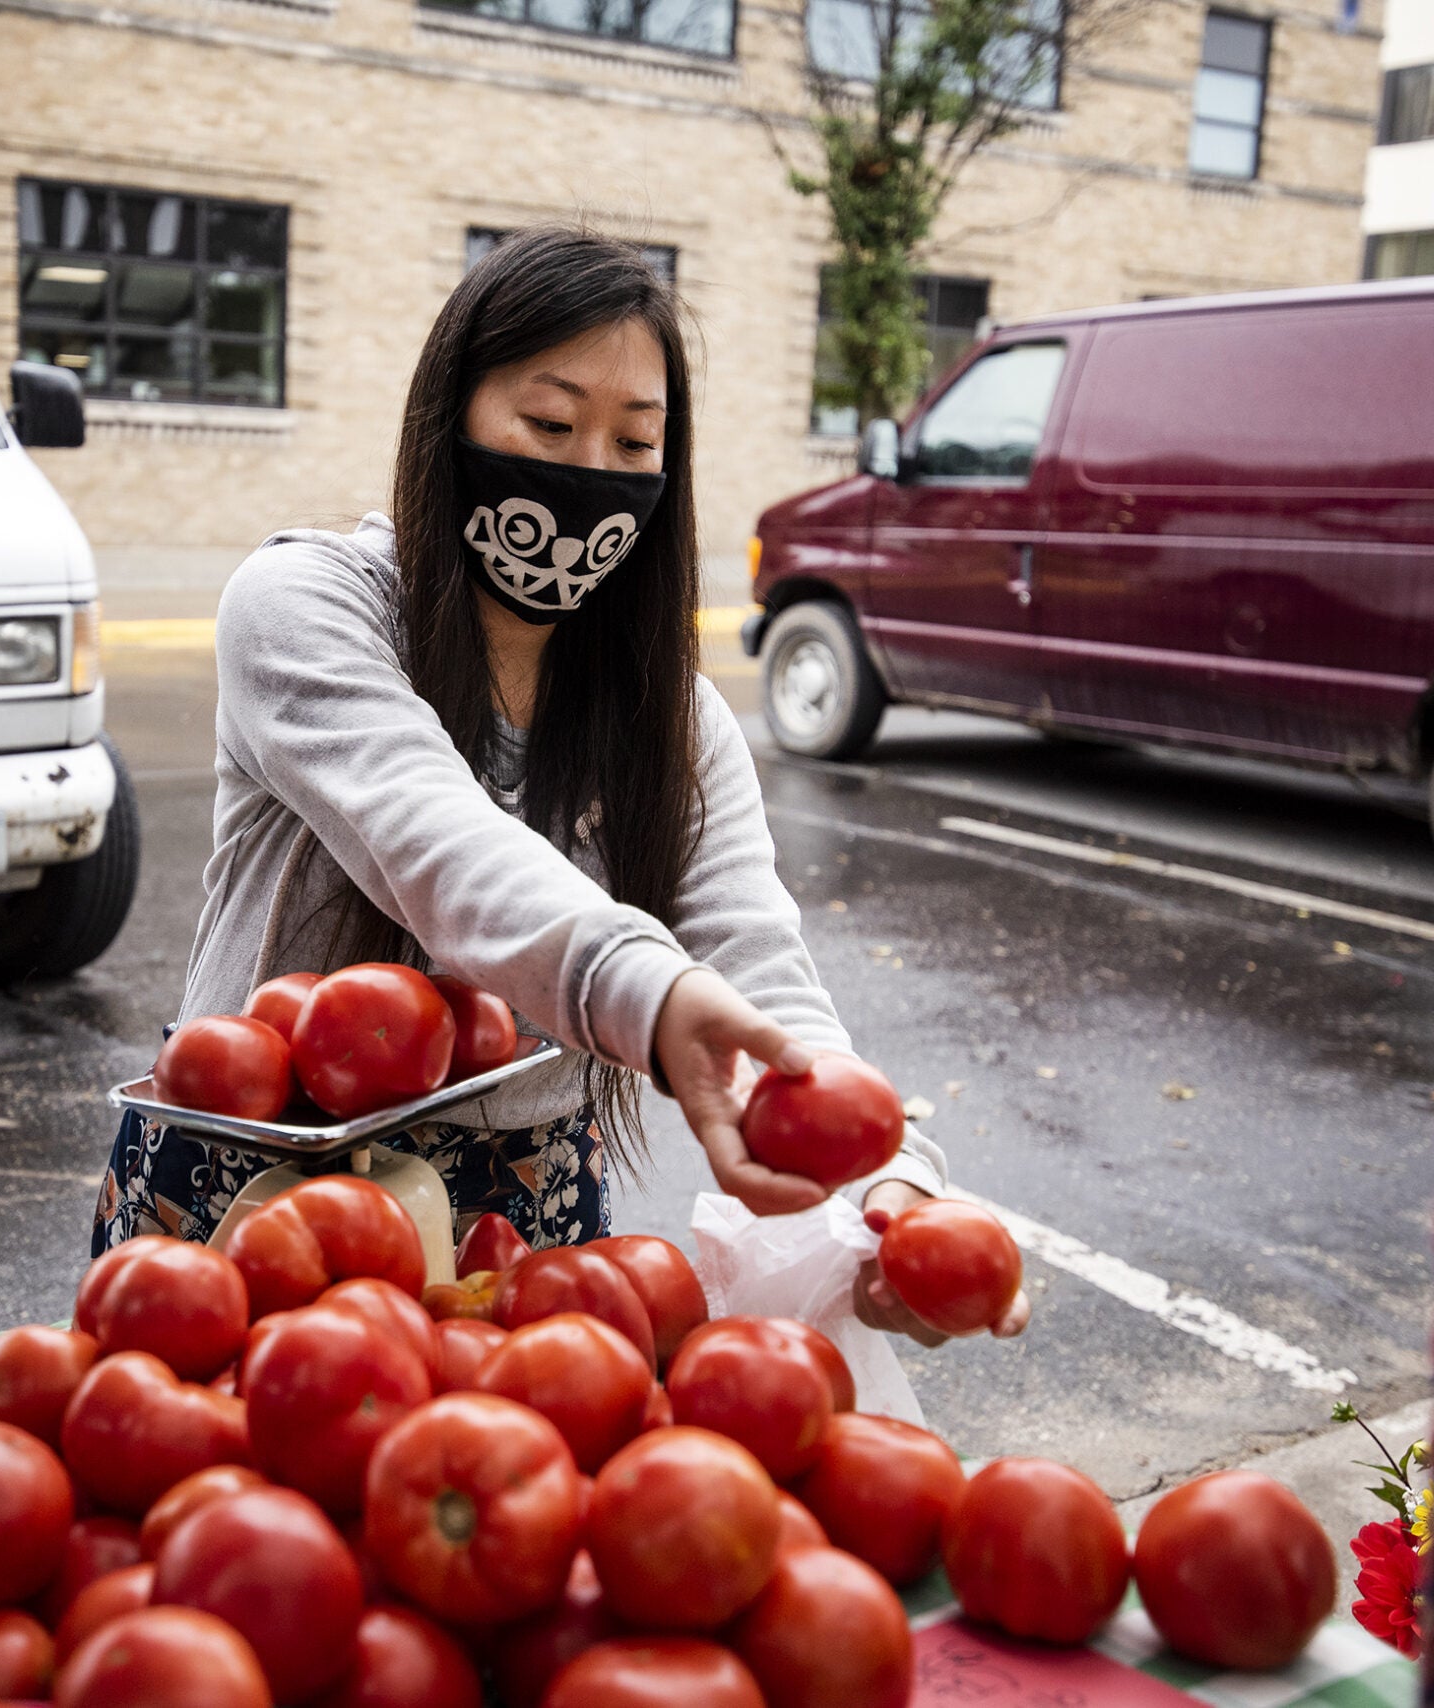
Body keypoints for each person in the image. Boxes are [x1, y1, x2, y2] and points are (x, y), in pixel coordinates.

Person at [94, 227, 1028, 1345]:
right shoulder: (303, 605)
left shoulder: (671, 719)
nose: (590, 471)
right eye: (549, 424)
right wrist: (650, 991)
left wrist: (885, 1177)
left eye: (636, 441)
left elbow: (752, 953)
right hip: (263, 1181)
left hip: (526, 1215)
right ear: (450, 418)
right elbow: (434, 842)